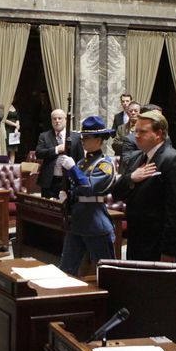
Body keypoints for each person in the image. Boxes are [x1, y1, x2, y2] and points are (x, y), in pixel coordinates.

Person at [111, 109, 176, 261]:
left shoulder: (174, 160)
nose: (137, 136)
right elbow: (116, 193)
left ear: (159, 134)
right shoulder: (137, 158)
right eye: (136, 131)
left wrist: (169, 251)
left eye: (142, 132)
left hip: (159, 244)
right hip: (137, 240)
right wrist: (131, 179)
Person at [58, 116, 117, 276]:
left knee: (107, 271)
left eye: (87, 137)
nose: (82, 140)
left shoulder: (104, 165)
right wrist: (66, 194)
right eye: (82, 137)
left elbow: (89, 188)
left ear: (99, 139)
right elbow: (75, 187)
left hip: (95, 223)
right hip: (77, 222)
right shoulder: (82, 163)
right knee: (66, 270)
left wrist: (72, 169)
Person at [36, 109, 83, 198]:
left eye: (59, 118)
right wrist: (56, 149)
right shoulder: (44, 136)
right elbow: (39, 153)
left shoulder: (76, 137)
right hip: (49, 182)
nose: (57, 121)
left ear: (65, 120)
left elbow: (80, 160)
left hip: (69, 181)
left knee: (68, 209)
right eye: (54, 119)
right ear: (51, 121)